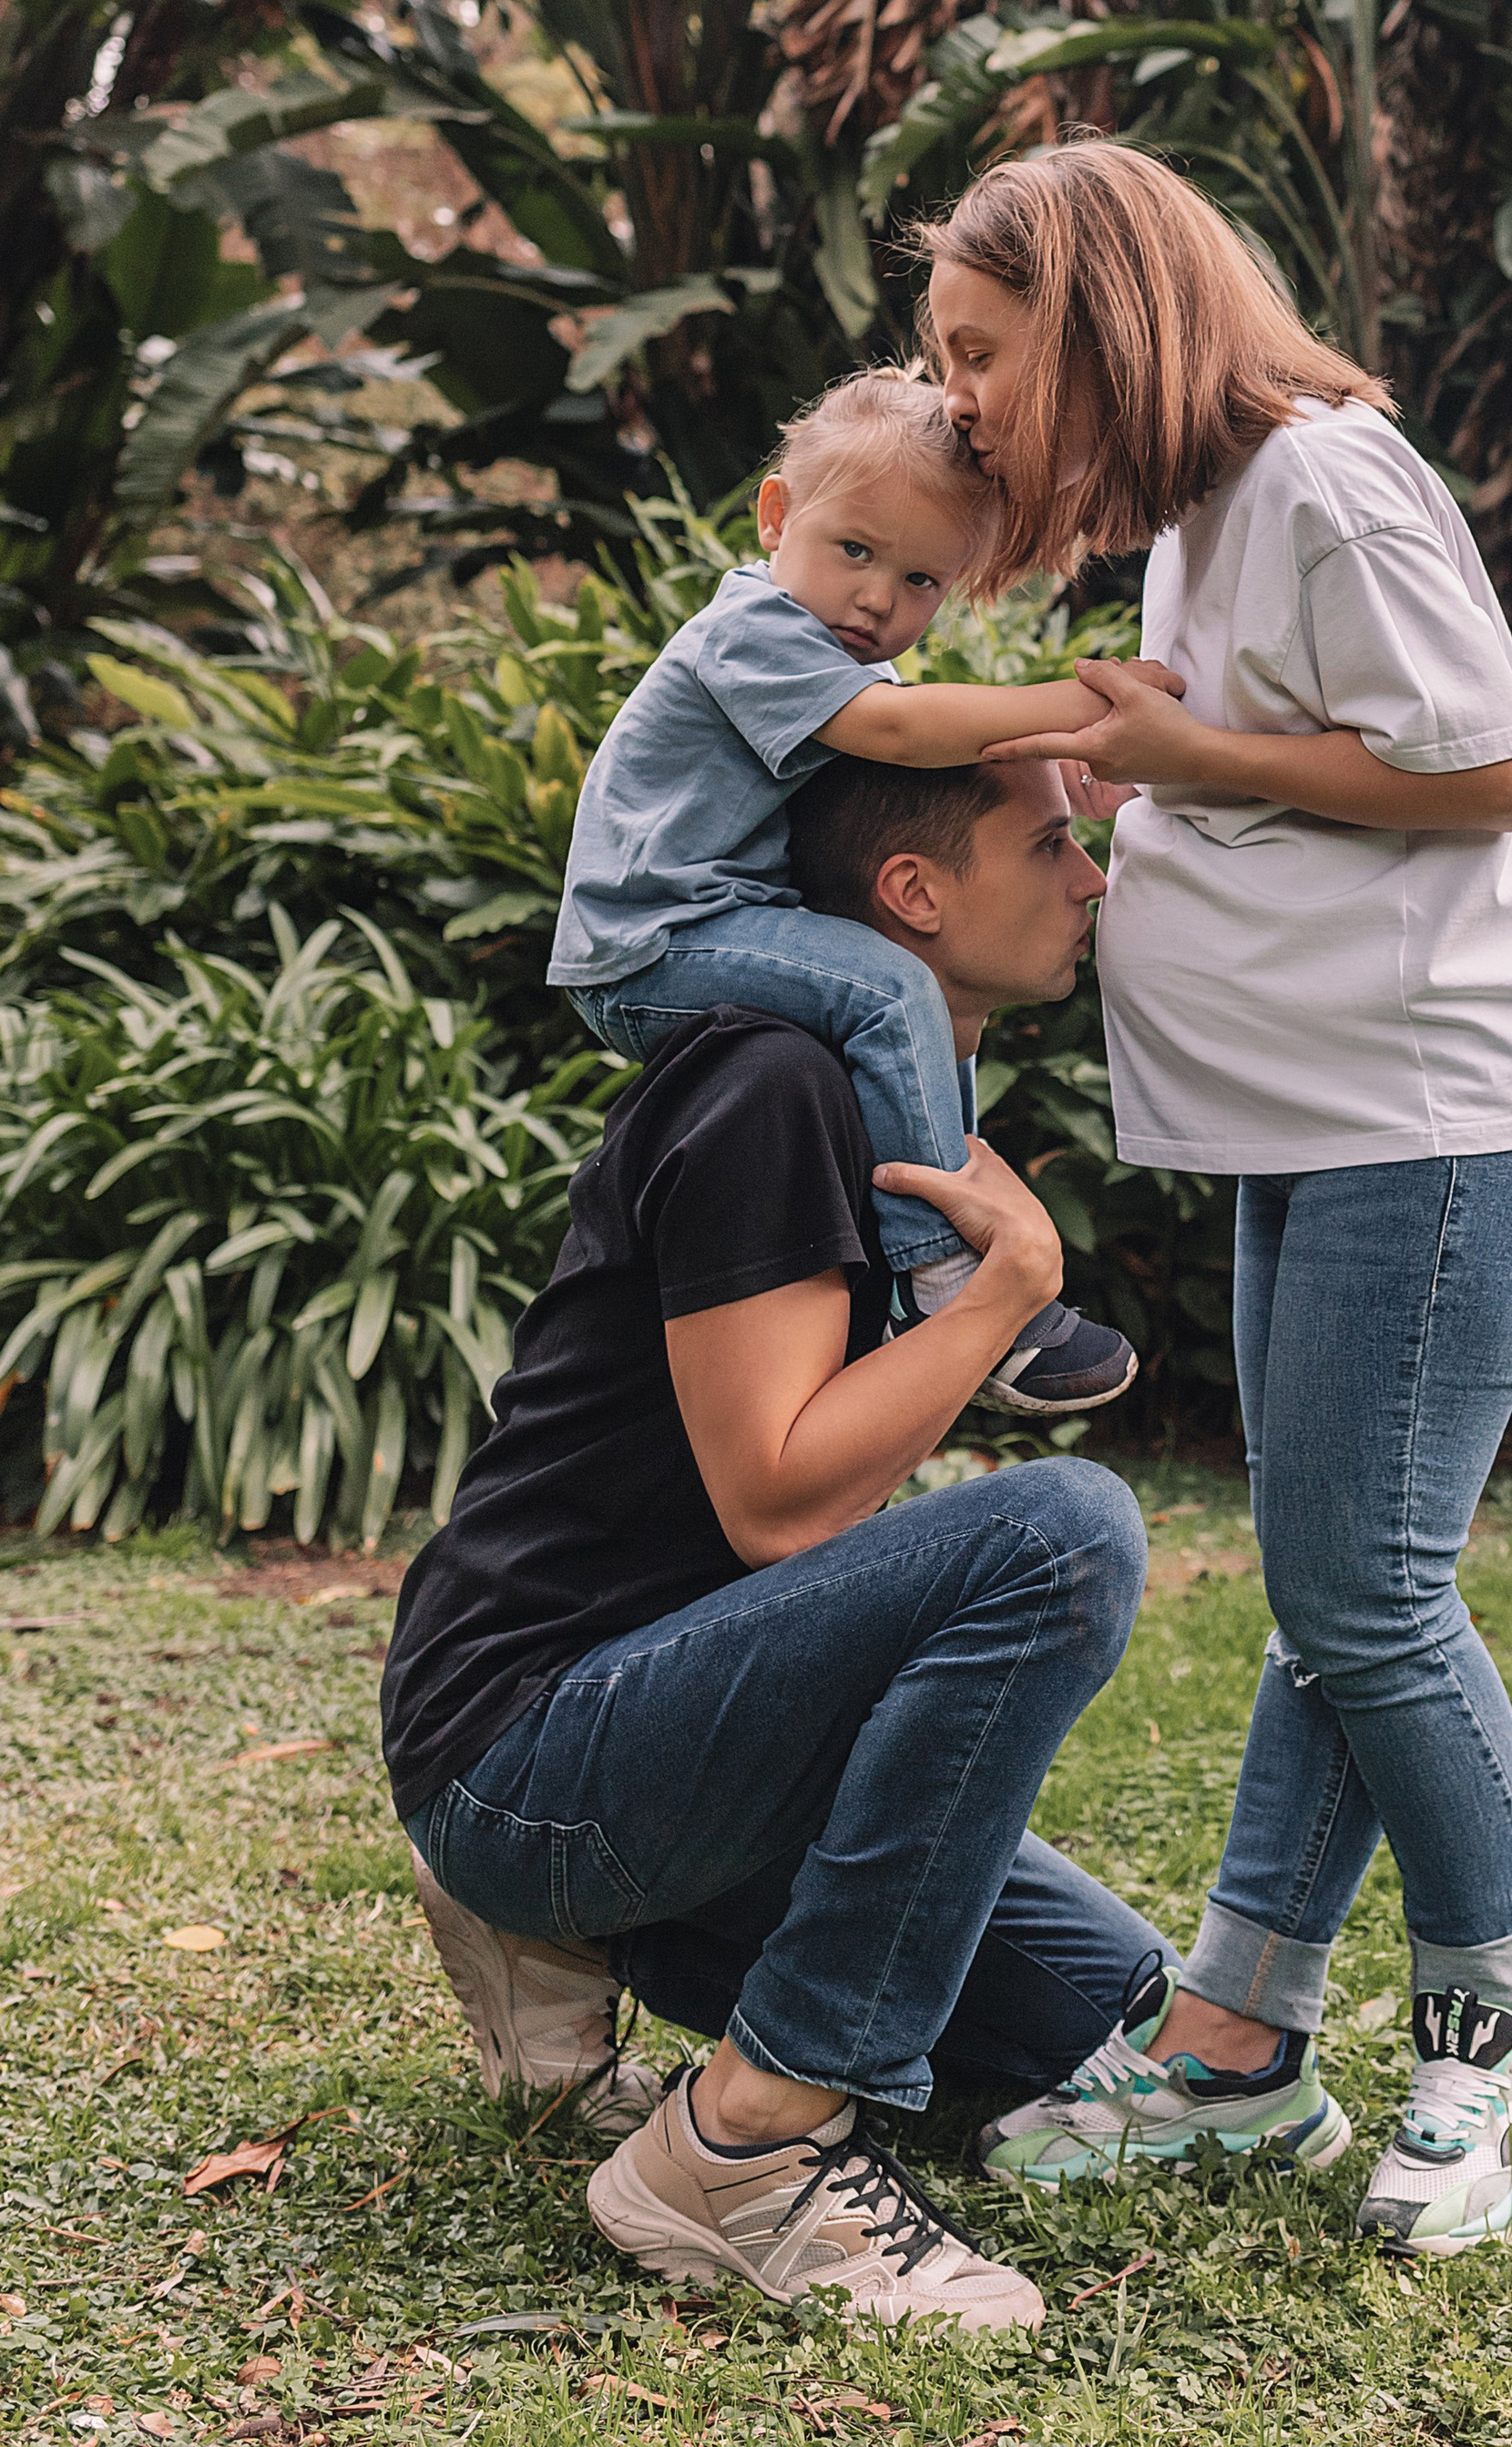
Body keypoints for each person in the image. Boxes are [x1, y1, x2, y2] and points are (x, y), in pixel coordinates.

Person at [919, 144, 1512, 2260]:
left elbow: (1480, 768)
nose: (960, 399)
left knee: (1364, 1592)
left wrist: (1192, 763)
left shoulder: (1319, 473)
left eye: (981, 352)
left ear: (1096, 313)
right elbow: (1297, 776)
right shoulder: (1212, 517)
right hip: (1325, 1121)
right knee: (1335, 1591)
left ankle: (1500, 2037)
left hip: (1440, 1120)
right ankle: (1233, 2042)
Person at [380, 753, 1170, 2329]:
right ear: (914, 895)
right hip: (530, 1734)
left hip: (676, 1726)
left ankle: (571, 1924)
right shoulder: (773, 1088)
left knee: (1112, 2014)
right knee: (1065, 1535)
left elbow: (797, 1553)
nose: (1093, 880)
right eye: (1054, 844)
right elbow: (783, 1501)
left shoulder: (872, 1098)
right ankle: (747, 2141)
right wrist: (1008, 1295)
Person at [547, 364, 1143, 1416]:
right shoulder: (756, 632)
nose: (879, 599)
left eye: (921, 582)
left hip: (721, 924)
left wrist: (1079, 773)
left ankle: (947, 1217)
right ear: (777, 516)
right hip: (651, 940)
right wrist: (1090, 701)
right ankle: (942, 1276)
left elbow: (920, 782)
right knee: (885, 988)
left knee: (927, 998)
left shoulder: (824, 651)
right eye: (856, 551)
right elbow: (901, 735)